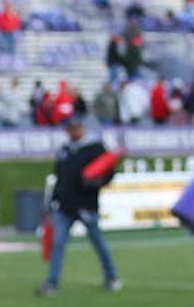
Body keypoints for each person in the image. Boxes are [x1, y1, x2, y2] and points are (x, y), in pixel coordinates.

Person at [36, 116, 123, 296]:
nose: (74, 131)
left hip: (86, 205)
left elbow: (109, 171)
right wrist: (53, 201)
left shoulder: (95, 148)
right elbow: (59, 178)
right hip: (65, 206)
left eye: (76, 127)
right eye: (70, 128)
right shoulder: (65, 150)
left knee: (98, 242)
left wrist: (97, 182)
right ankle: (52, 282)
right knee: (57, 244)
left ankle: (112, 276)